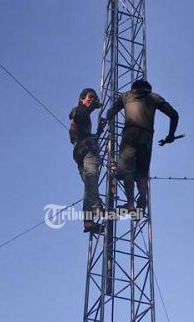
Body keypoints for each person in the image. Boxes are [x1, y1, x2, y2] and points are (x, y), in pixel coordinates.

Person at [106, 78, 179, 213]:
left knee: (127, 170)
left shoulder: (125, 96)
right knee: (142, 173)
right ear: (148, 88)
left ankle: (130, 204)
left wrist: (107, 124)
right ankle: (142, 199)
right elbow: (174, 115)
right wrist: (170, 135)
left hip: (130, 135)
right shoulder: (153, 97)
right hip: (146, 138)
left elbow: (110, 113)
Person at [69, 87, 105, 233]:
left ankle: (88, 222)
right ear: (81, 99)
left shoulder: (83, 116)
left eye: (94, 98)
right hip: (85, 150)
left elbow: (83, 133)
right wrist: (93, 106)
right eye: (89, 97)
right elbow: (79, 114)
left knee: (89, 186)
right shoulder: (80, 110)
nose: (92, 100)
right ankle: (96, 206)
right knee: (91, 178)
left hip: (80, 150)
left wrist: (99, 132)